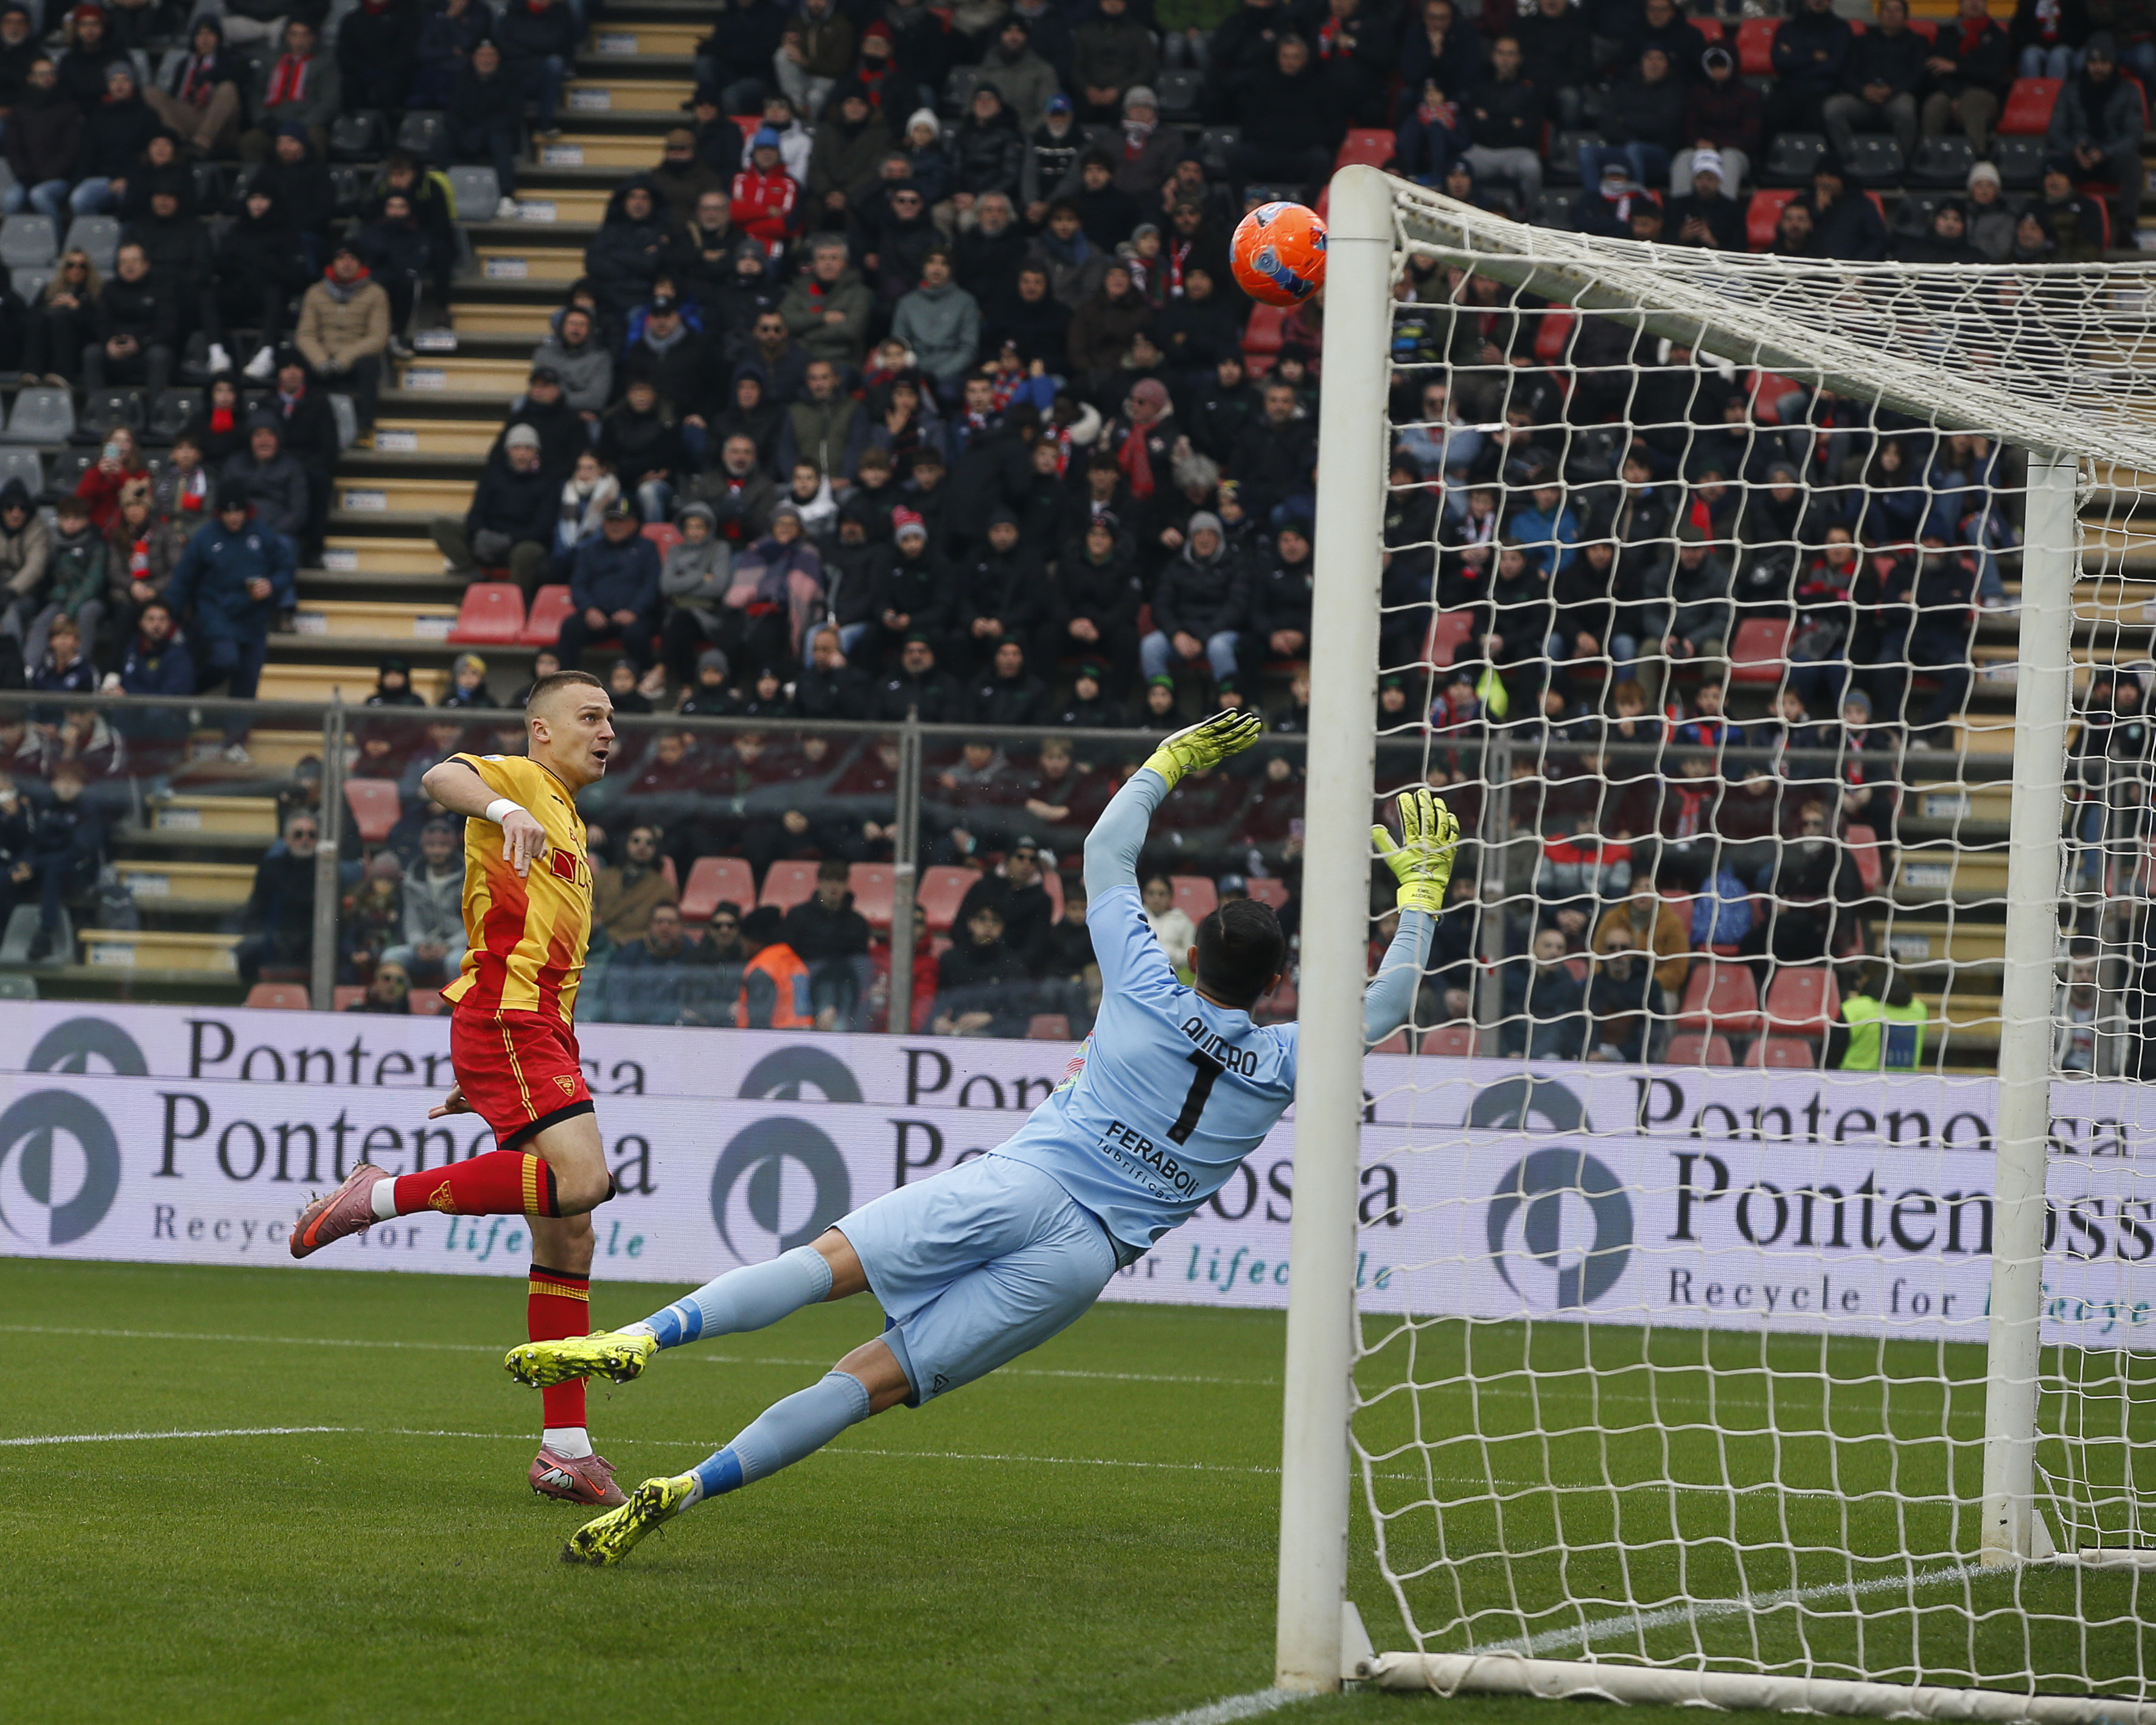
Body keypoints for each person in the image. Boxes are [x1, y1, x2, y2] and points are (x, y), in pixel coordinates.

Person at [506, 723, 1454, 1563]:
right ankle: (686, 1488)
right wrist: (1418, 895)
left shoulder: (1142, 983)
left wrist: (1168, 763)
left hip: (1023, 1182)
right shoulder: (1284, 1057)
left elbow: (1104, 848)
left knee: (820, 1265)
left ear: (1190, 951)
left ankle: (638, 1335)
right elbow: (1387, 1005)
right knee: (867, 1382)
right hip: (1083, 1257)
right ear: (1278, 983)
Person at [286, 670, 630, 1510]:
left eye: (611, 717)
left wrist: (490, 1083)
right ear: (541, 732)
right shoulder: (523, 780)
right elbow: (439, 775)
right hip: (511, 1023)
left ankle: (565, 1449)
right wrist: (501, 807)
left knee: (569, 1234)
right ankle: (382, 1194)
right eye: (589, 716)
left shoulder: (573, 819)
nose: (607, 728)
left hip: (530, 1031)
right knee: (582, 1182)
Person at [164, 486, 297, 761]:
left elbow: (285, 566)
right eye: (228, 512)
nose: (234, 518)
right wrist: (169, 618)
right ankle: (186, 693)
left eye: (238, 512)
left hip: (254, 618)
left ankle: (235, 741)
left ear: (245, 512)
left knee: (248, 680)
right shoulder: (206, 537)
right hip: (216, 611)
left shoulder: (261, 534)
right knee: (226, 659)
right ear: (220, 513)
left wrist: (272, 585)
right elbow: (183, 580)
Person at [295, 243, 392, 430]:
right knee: (296, 360)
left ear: (360, 264)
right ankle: (305, 426)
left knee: (369, 365)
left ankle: (365, 428)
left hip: (354, 359)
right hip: (322, 357)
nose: (346, 264)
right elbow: (305, 334)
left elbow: (378, 337)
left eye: (352, 259)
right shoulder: (315, 292)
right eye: (341, 259)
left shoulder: (376, 294)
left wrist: (343, 359)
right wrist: (320, 361)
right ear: (333, 263)